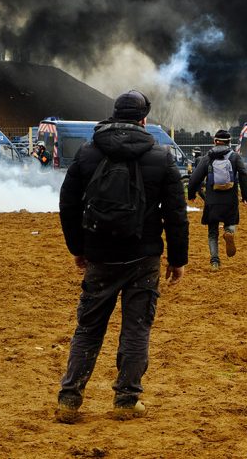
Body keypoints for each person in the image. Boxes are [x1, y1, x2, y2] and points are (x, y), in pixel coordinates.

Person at [56, 90, 189, 423]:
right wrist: (177, 259)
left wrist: (78, 249)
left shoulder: (87, 153)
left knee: (88, 328)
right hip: (143, 258)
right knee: (136, 329)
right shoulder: (161, 158)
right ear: (144, 120)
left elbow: (68, 205)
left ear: (114, 115)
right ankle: (126, 400)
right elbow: (176, 214)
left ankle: (69, 399)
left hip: (99, 255)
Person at [187, 129, 247, 270]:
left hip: (212, 201)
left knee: (212, 233)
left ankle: (214, 261)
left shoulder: (207, 158)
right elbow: (244, 175)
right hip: (230, 201)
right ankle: (229, 233)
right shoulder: (235, 157)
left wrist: (191, 194)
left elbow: (194, 179)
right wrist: (246, 196)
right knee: (230, 222)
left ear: (215, 141)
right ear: (229, 142)